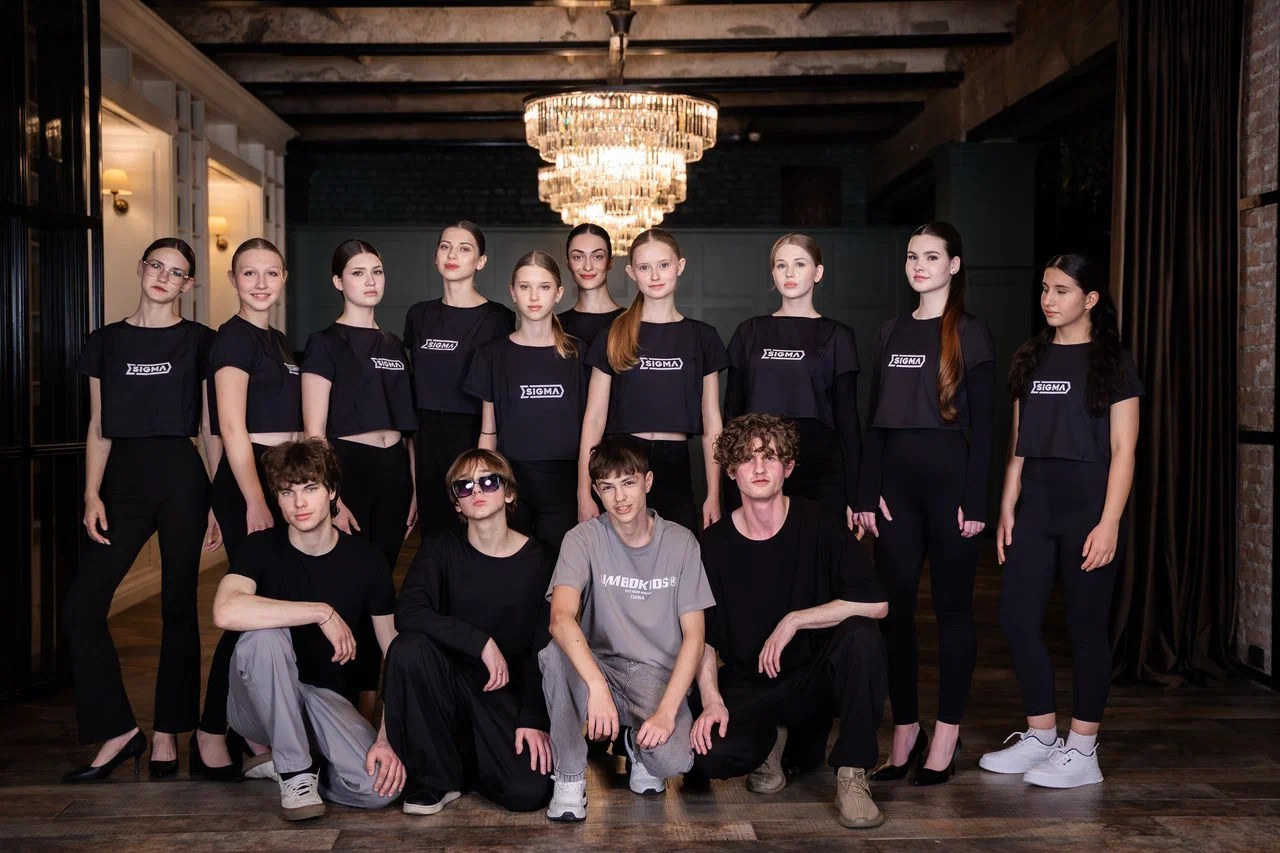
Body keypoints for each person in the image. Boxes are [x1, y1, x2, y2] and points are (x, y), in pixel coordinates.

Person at [979, 253, 1141, 789]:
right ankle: (1042, 736)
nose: (1048, 300)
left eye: (1062, 291)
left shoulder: (1114, 362)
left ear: (1090, 300)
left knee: (1085, 627)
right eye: (1045, 289)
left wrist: (1109, 522)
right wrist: (1007, 504)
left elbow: (1124, 450)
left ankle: (1084, 750)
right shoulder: (1031, 357)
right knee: (1017, 617)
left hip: (1089, 505)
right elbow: (1019, 444)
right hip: (1037, 506)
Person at [62, 238, 222, 782]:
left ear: (188, 285)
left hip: (182, 478)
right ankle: (118, 730)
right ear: (141, 268)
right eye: (157, 266)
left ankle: (168, 733)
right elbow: (98, 424)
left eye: (176, 273)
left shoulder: (200, 341)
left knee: (179, 608)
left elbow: (209, 426)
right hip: (122, 484)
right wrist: (92, 493)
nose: (163, 277)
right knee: (81, 608)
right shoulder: (105, 341)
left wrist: (218, 498)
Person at [690, 414, 889, 829]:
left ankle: (852, 773)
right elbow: (702, 638)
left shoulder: (820, 524)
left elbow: (876, 603)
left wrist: (795, 620)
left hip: (814, 680)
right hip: (752, 682)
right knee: (708, 756)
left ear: (789, 467)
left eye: (770, 457)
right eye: (747, 459)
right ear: (731, 471)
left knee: (862, 637)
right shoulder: (712, 546)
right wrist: (711, 700)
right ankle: (772, 744)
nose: (759, 468)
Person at [852, 222, 995, 786]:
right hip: (896, 496)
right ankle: (906, 729)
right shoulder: (889, 332)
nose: (919, 266)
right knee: (895, 615)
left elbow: (987, 428)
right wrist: (867, 492)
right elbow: (874, 420)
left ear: (953, 265)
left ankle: (948, 734)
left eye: (932, 257)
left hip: (953, 491)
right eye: (913, 256)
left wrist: (976, 500)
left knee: (954, 612)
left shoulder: (973, 333)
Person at [211, 439, 404, 821]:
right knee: (265, 636)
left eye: (310, 488)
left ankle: (295, 764)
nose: (299, 503)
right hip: (256, 704)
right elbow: (225, 610)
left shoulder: (367, 560)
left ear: (332, 491)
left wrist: (387, 736)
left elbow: (396, 653)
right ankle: (296, 773)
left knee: (380, 788)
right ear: (278, 498)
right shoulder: (260, 548)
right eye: (287, 492)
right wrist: (319, 612)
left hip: (321, 699)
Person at [541, 436, 715, 822]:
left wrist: (666, 712)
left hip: (653, 673)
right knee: (555, 654)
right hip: (598, 665)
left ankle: (637, 743)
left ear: (647, 482)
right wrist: (597, 686)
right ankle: (569, 778)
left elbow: (696, 638)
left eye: (628, 482)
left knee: (673, 760)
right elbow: (560, 619)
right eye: (607, 487)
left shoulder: (681, 542)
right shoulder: (582, 538)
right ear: (596, 491)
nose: (619, 497)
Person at [383, 449, 554, 815]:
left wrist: (534, 718)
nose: (476, 490)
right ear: (457, 503)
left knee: (527, 793)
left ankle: (469, 762)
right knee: (408, 649)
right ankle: (435, 779)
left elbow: (546, 648)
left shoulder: (541, 560)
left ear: (509, 493)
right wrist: (480, 643)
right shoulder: (440, 548)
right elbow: (408, 612)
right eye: (464, 486)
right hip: (447, 685)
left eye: (489, 481)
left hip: (504, 692)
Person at [197, 237, 303, 780]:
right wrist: (252, 499)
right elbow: (229, 427)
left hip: (277, 475)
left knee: (272, 606)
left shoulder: (277, 340)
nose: (261, 283)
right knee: (246, 610)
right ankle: (212, 731)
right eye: (249, 273)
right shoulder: (233, 339)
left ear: (284, 278)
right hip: (254, 480)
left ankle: (252, 728)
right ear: (233, 279)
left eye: (271, 273)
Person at [302, 238, 417, 717]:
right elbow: (314, 432)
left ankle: (370, 696)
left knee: (379, 587)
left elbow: (407, 429)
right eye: (357, 273)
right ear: (338, 282)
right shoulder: (324, 343)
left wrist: (413, 488)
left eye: (377, 272)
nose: (370, 281)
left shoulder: (394, 346)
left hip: (394, 473)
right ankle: (333, 700)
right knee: (344, 584)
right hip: (347, 469)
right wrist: (331, 497)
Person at [578, 228, 728, 534]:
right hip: (622, 465)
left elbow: (712, 422)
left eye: (663, 265)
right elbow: (593, 418)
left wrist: (715, 493)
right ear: (632, 273)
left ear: (680, 266)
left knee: (677, 553)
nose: (655, 275)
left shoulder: (702, 337)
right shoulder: (613, 334)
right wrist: (584, 491)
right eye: (645, 267)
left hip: (676, 463)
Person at [724, 233, 861, 528]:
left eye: (799, 264)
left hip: (821, 467)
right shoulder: (749, 332)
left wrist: (857, 495)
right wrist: (729, 480)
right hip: (757, 465)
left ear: (818, 272)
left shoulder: (838, 336)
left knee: (818, 551)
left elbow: (848, 420)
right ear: (773, 273)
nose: (789, 273)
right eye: (781, 265)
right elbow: (731, 416)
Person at [464, 251, 587, 552]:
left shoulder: (579, 354)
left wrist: (586, 490)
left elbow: (592, 428)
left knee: (562, 568)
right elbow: (489, 431)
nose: (534, 296)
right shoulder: (491, 355)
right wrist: (483, 486)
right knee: (514, 566)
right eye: (524, 287)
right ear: (512, 292)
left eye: (544, 287)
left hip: (565, 482)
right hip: (510, 482)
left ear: (559, 293)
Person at [403, 221, 515, 534]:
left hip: (474, 433)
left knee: (475, 529)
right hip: (427, 437)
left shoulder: (498, 318)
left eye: (464, 249)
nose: (452, 255)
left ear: (481, 261)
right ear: (436, 257)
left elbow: (499, 388)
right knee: (434, 531)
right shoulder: (419, 315)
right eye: (445, 247)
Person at [557, 223, 623, 351]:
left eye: (597, 257)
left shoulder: (632, 322)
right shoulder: (555, 325)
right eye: (578, 257)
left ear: (610, 262)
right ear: (568, 263)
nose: (588, 267)